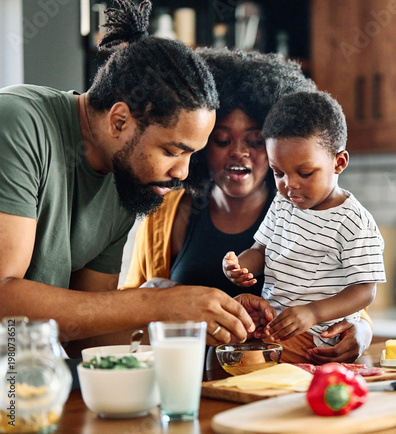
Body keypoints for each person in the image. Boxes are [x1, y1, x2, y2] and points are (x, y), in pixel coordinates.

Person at [0, 0, 266, 358]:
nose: (182, 173)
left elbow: (87, 340)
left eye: (191, 155)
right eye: (174, 151)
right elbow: (4, 298)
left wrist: (184, 319)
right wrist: (154, 304)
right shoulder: (17, 122)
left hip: (26, 384)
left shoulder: (127, 177)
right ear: (120, 121)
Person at [124, 48, 374, 363]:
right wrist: (157, 296)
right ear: (201, 143)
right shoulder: (168, 214)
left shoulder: (302, 209)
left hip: (274, 382)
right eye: (222, 140)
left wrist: (361, 330)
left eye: (255, 141)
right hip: (190, 381)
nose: (239, 153)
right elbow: (129, 312)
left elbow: (346, 299)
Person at [223, 91, 386, 363]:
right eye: (279, 173)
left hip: (318, 338)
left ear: (339, 163)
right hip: (275, 328)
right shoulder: (282, 203)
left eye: (305, 173)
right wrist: (238, 267)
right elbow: (260, 250)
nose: (290, 184)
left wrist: (313, 312)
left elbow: (365, 290)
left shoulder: (354, 221)